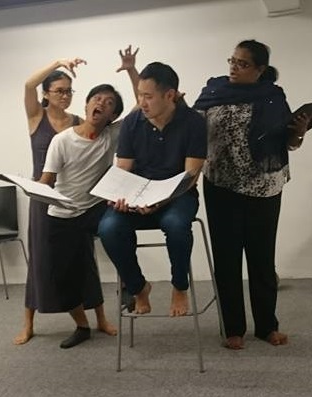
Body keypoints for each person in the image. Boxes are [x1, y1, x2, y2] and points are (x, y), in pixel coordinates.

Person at [13, 46, 140, 345]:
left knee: (86, 261)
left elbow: (134, 109)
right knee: (44, 260)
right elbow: (29, 85)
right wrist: (58, 61)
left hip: (83, 201)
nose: (64, 96)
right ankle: (28, 322)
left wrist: (132, 71)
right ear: (47, 94)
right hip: (43, 195)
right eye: (58, 91)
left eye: (69, 91)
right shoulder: (36, 117)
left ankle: (101, 319)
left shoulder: (81, 123)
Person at [192, 39, 310, 349]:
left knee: (261, 259)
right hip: (220, 186)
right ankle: (233, 328)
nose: (233, 66)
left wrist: (298, 131)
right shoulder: (212, 93)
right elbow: (191, 131)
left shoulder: (273, 97)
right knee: (227, 259)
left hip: (264, 187)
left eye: (242, 63)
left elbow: (288, 142)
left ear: (260, 70)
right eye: (231, 60)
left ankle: (267, 327)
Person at [97, 62, 207, 318]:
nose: (142, 103)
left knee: (176, 225)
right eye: (139, 96)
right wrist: (122, 197)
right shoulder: (134, 121)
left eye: (148, 96)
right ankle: (138, 287)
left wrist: (159, 201)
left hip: (178, 194)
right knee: (108, 228)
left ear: (169, 95)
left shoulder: (193, 122)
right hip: (139, 195)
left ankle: (179, 285)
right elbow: (123, 169)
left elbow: (190, 176)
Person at [41, 83, 125, 348]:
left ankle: (132, 288)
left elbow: (140, 104)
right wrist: (32, 187)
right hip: (62, 213)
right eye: (96, 98)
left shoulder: (111, 135)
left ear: (112, 116)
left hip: (94, 210)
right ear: (87, 105)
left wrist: (132, 70)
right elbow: (47, 180)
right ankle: (82, 326)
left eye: (109, 102)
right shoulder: (62, 140)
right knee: (64, 275)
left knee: (119, 232)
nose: (100, 103)